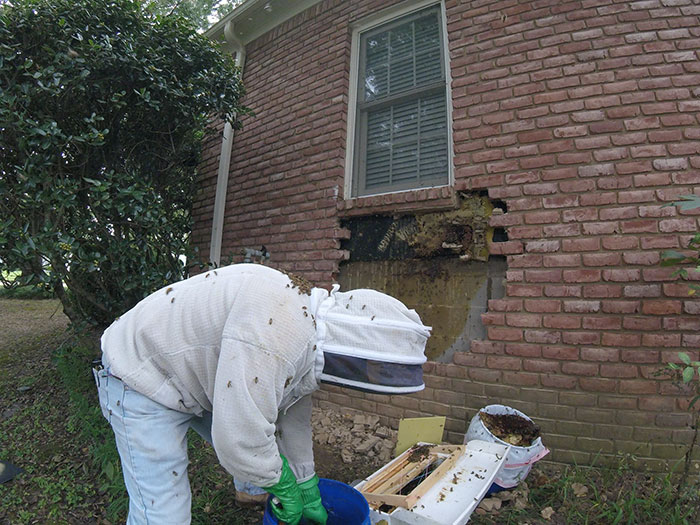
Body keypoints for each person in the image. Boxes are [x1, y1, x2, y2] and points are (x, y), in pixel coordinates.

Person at [95, 263, 431, 525]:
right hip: (141, 371)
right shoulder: (278, 335)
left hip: (195, 369)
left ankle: (253, 490)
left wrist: (306, 482)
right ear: (356, 343)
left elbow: (290, 417)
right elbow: (238, 435)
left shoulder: (307, 326)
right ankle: (262, 486)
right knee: (164, 514)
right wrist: (284, 483)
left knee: (258, 448)